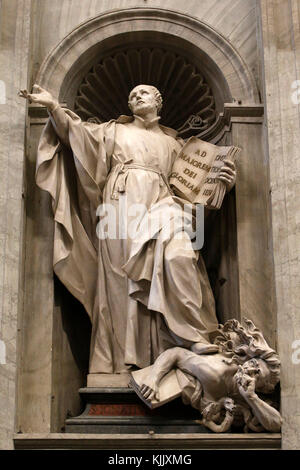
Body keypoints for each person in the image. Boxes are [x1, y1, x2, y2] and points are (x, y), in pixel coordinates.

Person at [19, 84, 236, 374]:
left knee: (179, 256)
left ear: (159, 100)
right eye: (131, 93)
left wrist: (222, 183)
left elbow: (194, 193)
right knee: (121, 282)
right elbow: (77, 136)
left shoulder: (178, 144)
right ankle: (124, 364)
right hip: (119, 205)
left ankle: (188, 338)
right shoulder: (113, 131)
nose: (136, 96)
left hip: (164, 204)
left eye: (144, 93)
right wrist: (53, 107)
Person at [137, 318, 282, 433]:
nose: (251, 369)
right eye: (254, 364)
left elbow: (277, 425)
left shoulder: (249, 398)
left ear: (262, 388)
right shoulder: (215, 371)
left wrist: (252, 398)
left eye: (257, 373)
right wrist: (153, 379)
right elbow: (176, 353)